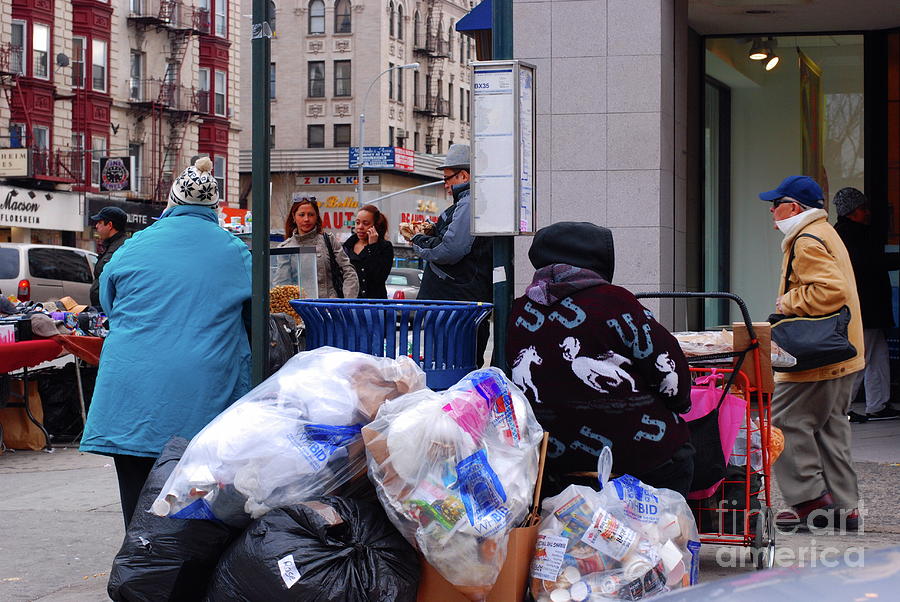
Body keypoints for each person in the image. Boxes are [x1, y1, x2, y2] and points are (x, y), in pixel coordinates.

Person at [80, 157, 253, 526]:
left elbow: (108, 302)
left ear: (171, 203)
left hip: (128, 391)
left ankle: (140, 566)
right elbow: (255, 313)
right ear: (214, 208)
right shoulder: (235, 250)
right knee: (194, 504)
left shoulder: (133, 246)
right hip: (201, 394)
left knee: (136, 497)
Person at [506, 222, 694, 498]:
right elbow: (670, 373)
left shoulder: (519, 310)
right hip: (637, 457)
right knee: (682, 455)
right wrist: (680, 404)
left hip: (552, 464)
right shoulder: (617, 301)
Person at [758, 175, 864, 531]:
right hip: (844, 351)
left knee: (782, 421)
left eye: (776, 204)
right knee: (830, 427)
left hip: (818, 356)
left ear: (794, 207)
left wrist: (787, 301)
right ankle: (845, 508)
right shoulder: (825, 231)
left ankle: (810, 504)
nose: (772, 212)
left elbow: (829, 291)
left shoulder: (806, 240)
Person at [403, 143, 492, 362]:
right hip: (457, 303)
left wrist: (417, 239)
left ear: (463, 175)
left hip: (456, 303)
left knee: (453, 364)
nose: (445, 185)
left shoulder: (470, 202)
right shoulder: (468, 202)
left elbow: (450, 249)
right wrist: (433, 231)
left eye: (447, 178)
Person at [833, 187, 900, 422]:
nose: (867, 212)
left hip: (865, 306)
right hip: (864, 306)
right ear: (852, 211)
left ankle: (877, 404)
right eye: (862, 208)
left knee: (875, 353)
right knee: (863, 356)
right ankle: (845, 406)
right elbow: (871, 264)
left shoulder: (846, 233)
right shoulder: (852, 236)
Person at [278, 196, 359, 299]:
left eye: (311, 214)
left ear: (316, 217)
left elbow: (349, 272)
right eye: (301, 215)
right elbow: (282, 285)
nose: (306, 219)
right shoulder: (285, 248)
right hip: (300, 309)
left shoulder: (329, 240)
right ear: (294, 217)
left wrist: (347, 302)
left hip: (330, 307)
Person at [342, 204, 394, 298]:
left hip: (374, 305)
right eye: (357, 223)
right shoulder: (347, 246)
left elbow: (379, 277)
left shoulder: (385, 247)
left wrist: (372, 246)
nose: (360, 227)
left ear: (375, 226)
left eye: (365, 223)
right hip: (350, 303)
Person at [89, 206, 128, 311]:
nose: (96, 226)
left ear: (110, 225)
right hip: (103, 308)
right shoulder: (111, 245)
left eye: (99, 222)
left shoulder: (122, 247)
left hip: (111, 310)